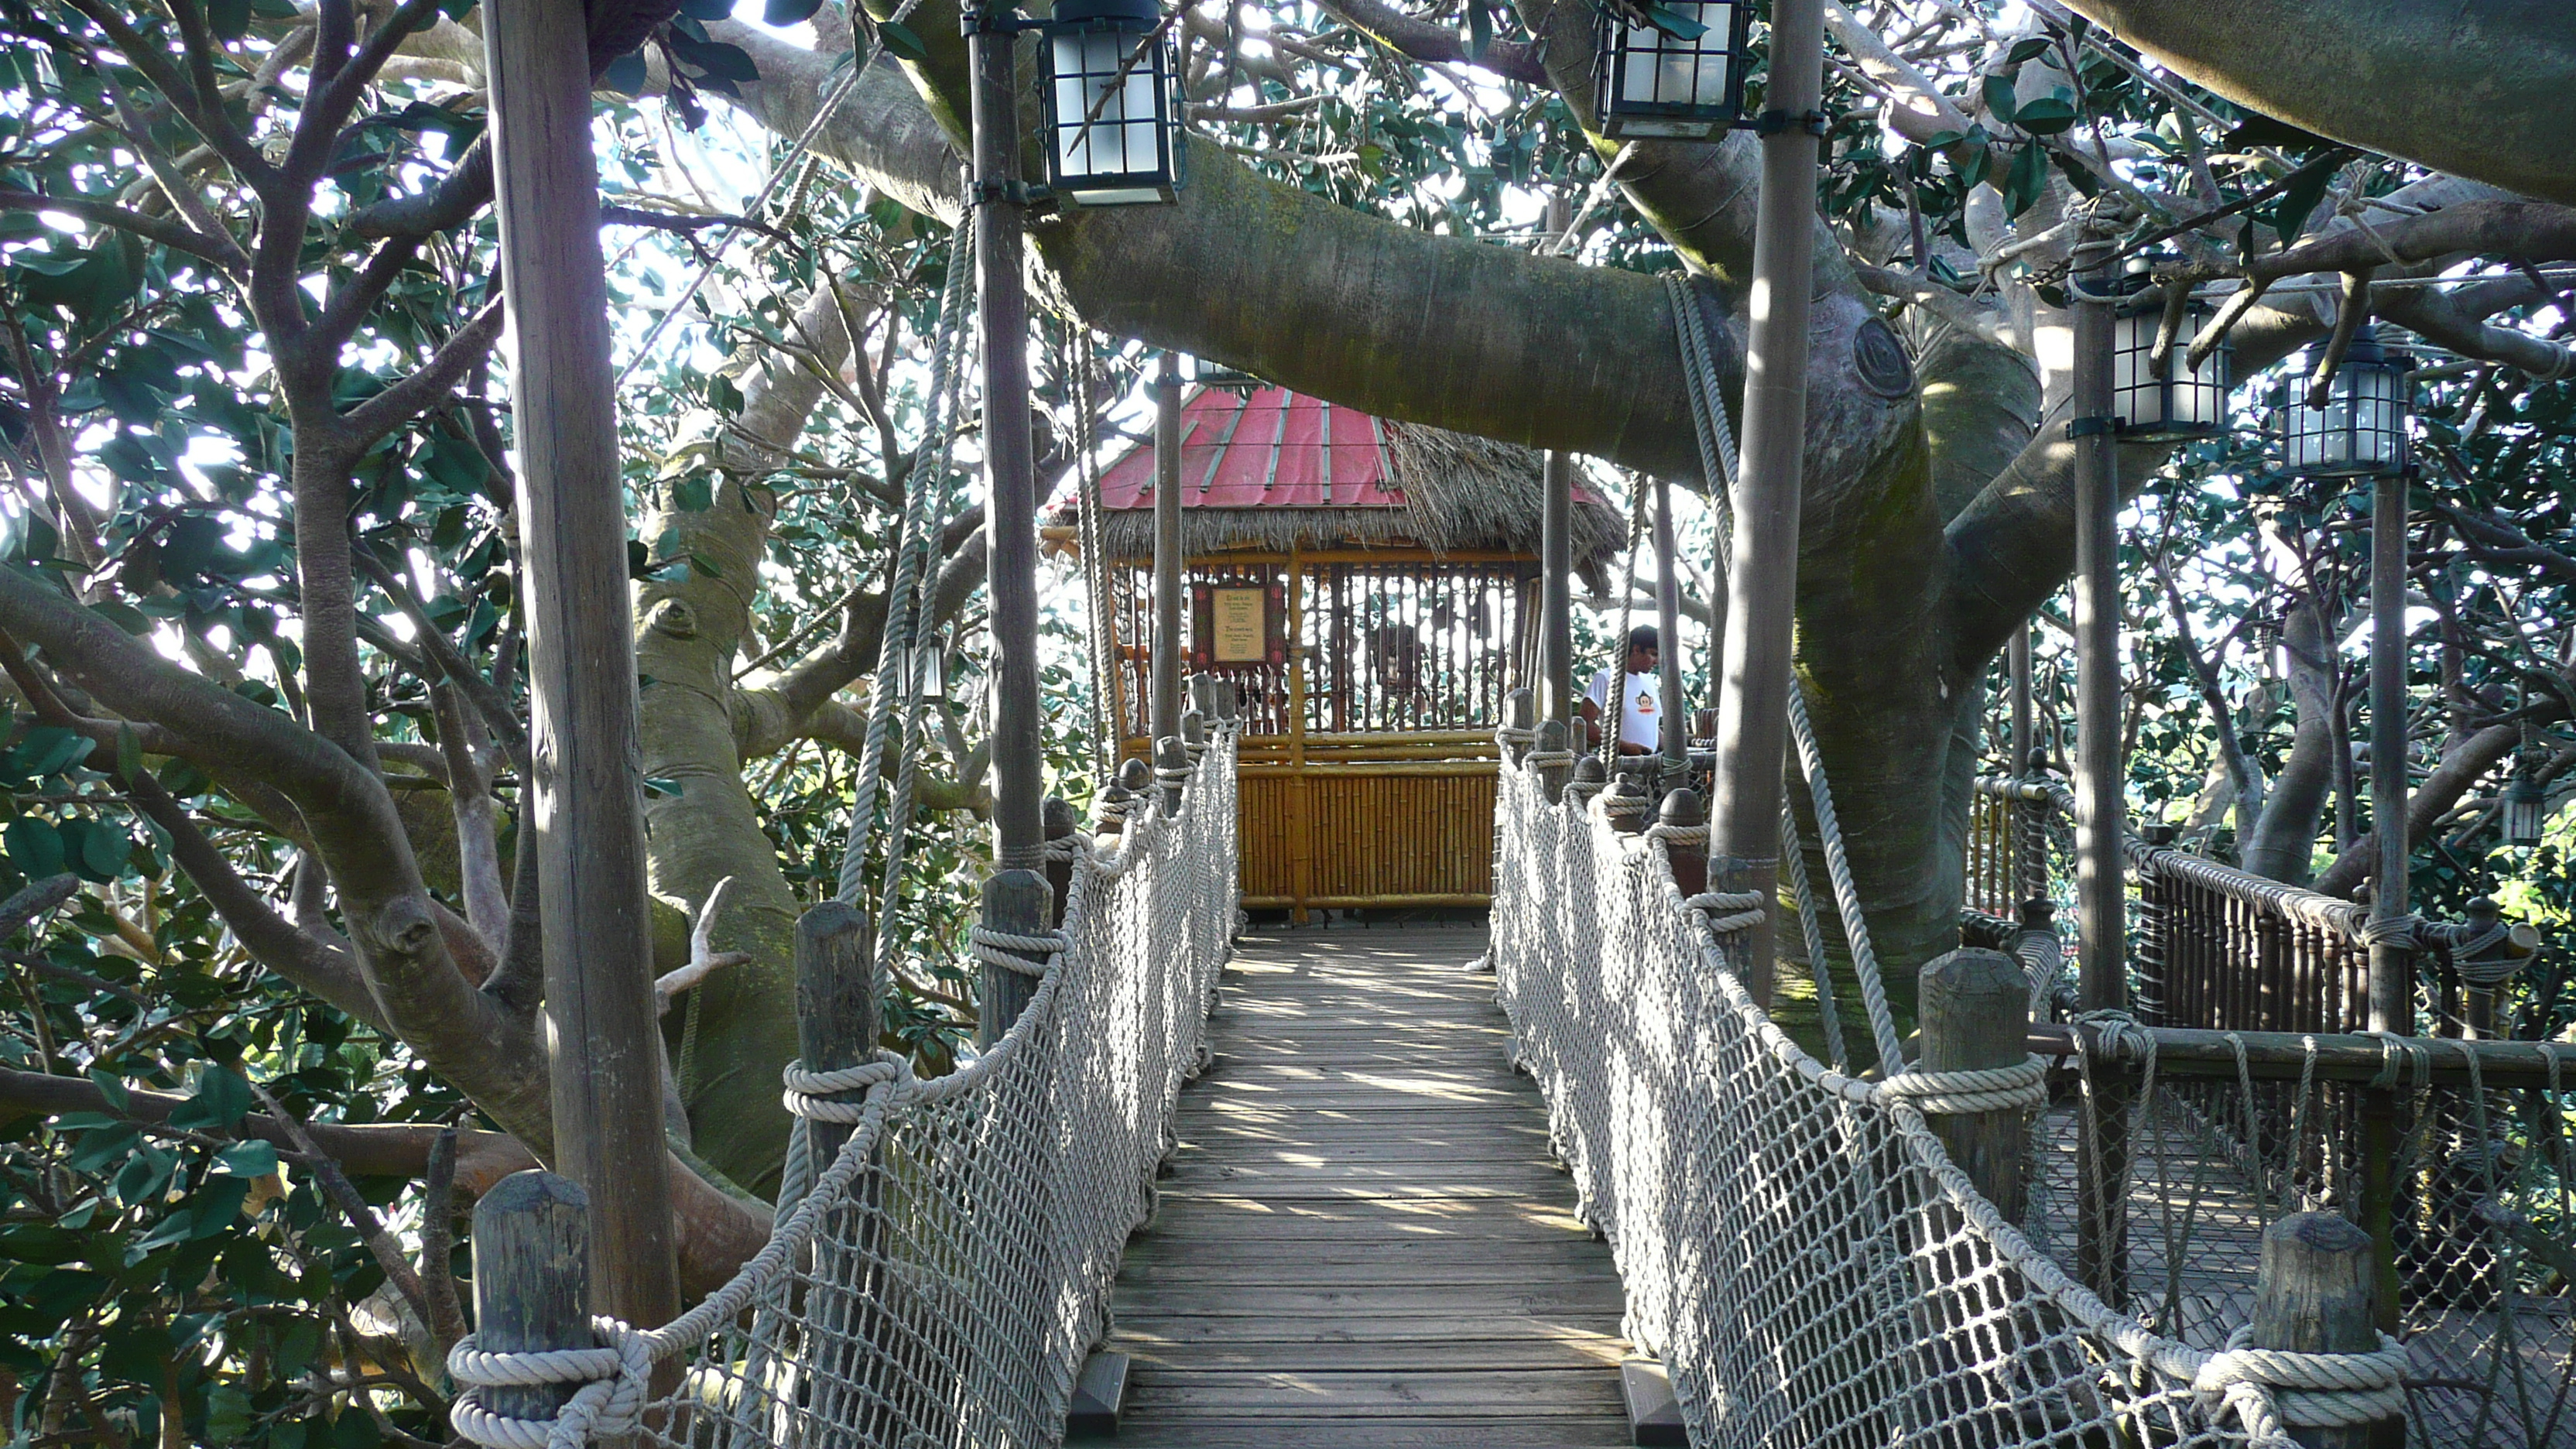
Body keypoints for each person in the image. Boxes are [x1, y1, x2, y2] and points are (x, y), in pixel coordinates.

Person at [1580, 625, 1661, 756]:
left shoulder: (1650, 680)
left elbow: (1652, 725)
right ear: (1636, 650)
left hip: (1651, 765)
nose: (1656, 661)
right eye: (1653, 654)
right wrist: (1623, 746)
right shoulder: (1605, 678)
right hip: (1619, 763)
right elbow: (1584, 725)